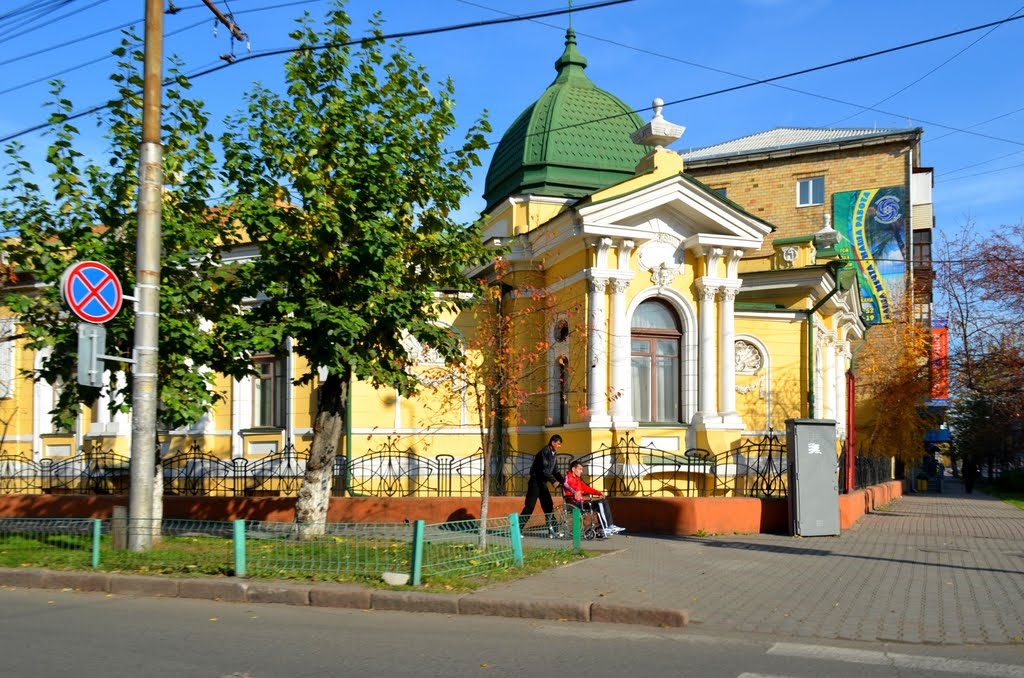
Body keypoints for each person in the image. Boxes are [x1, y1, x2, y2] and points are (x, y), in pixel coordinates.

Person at [562, 459, 624, 536]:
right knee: (600, 503)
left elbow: (588, 489)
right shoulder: (568, 478)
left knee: (603, 501)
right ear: (573, 469)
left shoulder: (578, 481)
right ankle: (607, 527)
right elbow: (565, 484)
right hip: (573, 503)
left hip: (580, 502)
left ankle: (607, 526)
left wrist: (599, 493)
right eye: (580, 469)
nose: (582, 471)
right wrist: (575, 492)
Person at [521, 434, 566, 537]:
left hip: (542, 483)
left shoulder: (554, 454)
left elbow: (555, 471)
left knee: (548, 506)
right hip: (535, 482)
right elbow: (544, 470)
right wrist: (553, 481)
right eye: (558, 444)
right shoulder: (544, 452)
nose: (560, 446)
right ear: (553, 442)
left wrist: (563, 482)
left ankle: (553, 531)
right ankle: (517, 530)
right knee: (529, 506)